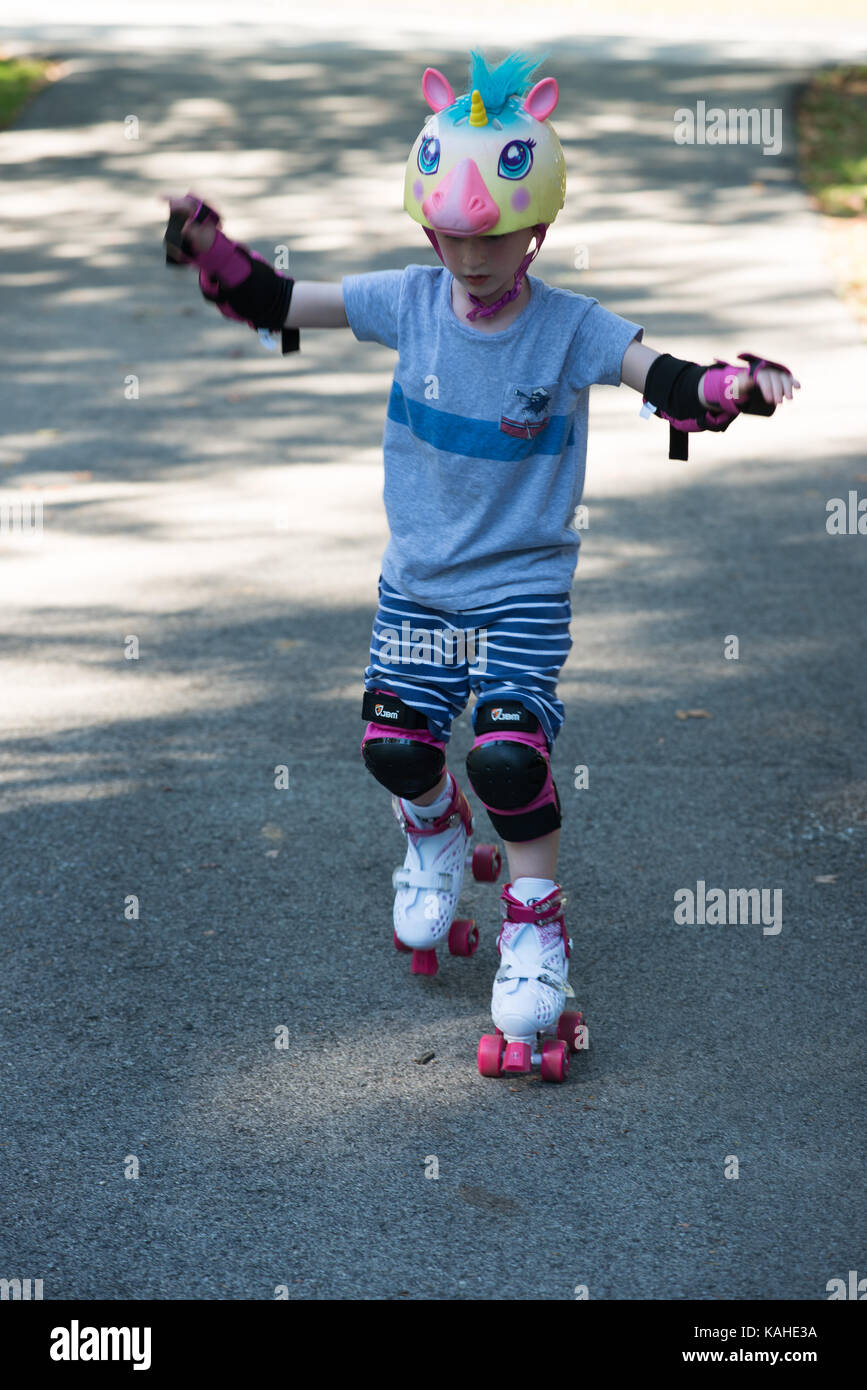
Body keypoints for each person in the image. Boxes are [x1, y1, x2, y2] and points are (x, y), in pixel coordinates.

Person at [162, 49, 799, 1081]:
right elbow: (284, 303)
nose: (472, 257)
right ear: (429, 228)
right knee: (396, 750)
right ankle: (435, 834)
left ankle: (536, 931)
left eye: (495, 235)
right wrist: (213, 251)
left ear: (535, 229)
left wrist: (733, 385)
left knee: (508, 756)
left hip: (521, 594)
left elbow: (663, 374)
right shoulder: (406, 302)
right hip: (416, 586)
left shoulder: (568, 326)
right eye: (454, 235)